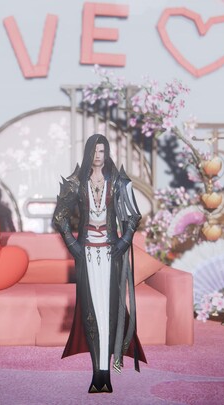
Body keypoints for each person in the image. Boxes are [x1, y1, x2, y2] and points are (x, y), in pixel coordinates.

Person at [52, 134, 145, 393]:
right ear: (87, 153)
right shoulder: (76, 182)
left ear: (107, 153)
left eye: (102, 151)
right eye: (94, 151)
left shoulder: (118, 181)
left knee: (109, 312)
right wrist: (72, 244)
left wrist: (124, 241)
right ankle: (97, 373)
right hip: (87, 254)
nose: (97, 156)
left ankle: (106, 374)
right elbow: (60, 217)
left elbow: (133, 215)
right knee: (92, 314)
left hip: (110, 253)